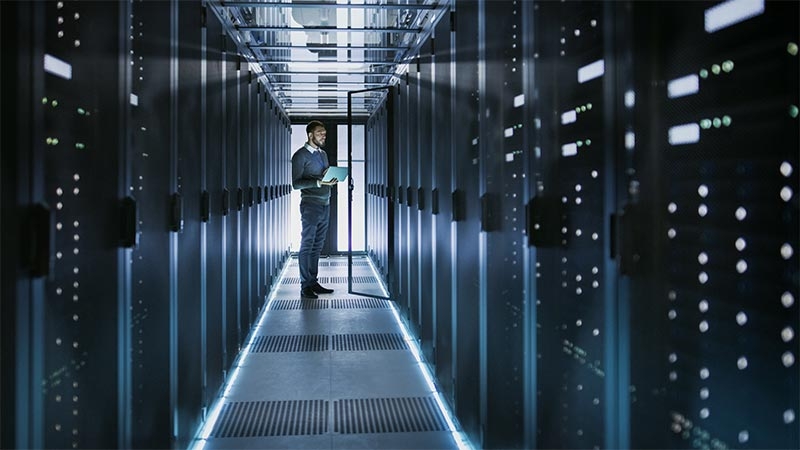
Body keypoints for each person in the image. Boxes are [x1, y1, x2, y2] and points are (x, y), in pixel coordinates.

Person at [291, 120, 338, 299]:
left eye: (324, 133)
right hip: (310, 205)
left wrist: (330, 177)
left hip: (325, 203)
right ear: (310, 135)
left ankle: (313, 281)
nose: (323, 136)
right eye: (320, 133)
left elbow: (323, 174)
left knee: (317, 245)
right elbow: (296, 184)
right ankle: (305, 286)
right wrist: (318, 182)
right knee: (307, 244)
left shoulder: (323, 154)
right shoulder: (300, 156)